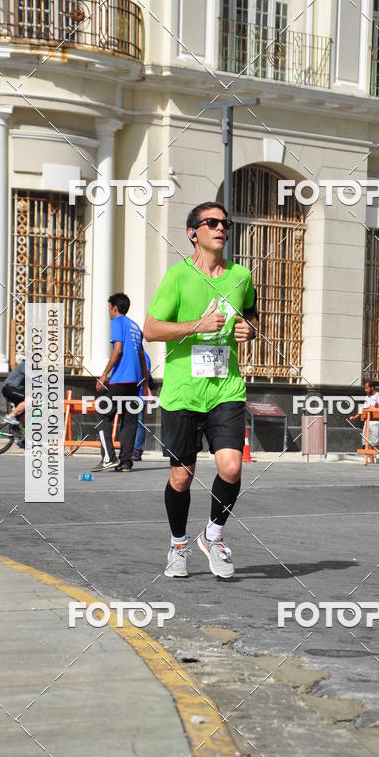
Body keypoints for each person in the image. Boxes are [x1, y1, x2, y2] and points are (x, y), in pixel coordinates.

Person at [144, 201, 258, 580]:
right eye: (212, 222)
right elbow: (151, 329)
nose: (221, 228)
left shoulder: (241, 276)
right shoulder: (178, 277)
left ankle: (214, 535)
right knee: (182, 477)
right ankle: (178, 545)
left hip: (226, 389)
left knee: (232, 466)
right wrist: (198, 325)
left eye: (225, 223)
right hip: (183, 392)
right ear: (193, 233)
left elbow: (250, 314)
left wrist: (249, 329)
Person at [92, 293, 150, 473]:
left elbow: (117, 350)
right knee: (129, 420)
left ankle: (109, 458)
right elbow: (141, 357)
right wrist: (145, 384)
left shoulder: (117, 322)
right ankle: (125, 462)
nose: (109, 312)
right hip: (135, 381)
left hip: (121, 379)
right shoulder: (135, 327)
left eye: (109, 308)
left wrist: (103, 376)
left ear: (114, 308)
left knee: (102, 412)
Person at [351, 378, 379, 457]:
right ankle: (371, 461)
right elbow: (363, 409)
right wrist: (355, 417)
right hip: (367, 423)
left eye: (367, 388)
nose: (365, 390)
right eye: (365, 388)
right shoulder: (367, 397)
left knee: (374, 443)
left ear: (372, 387)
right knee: (366, 443)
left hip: (375, 423)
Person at [132, 349, 152, 461]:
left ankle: (137, 450)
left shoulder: (143, 355)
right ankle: (131, 448)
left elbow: (146, 374)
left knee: (139, 422)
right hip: (129, 393)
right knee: (130, 422)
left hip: (139, 393)